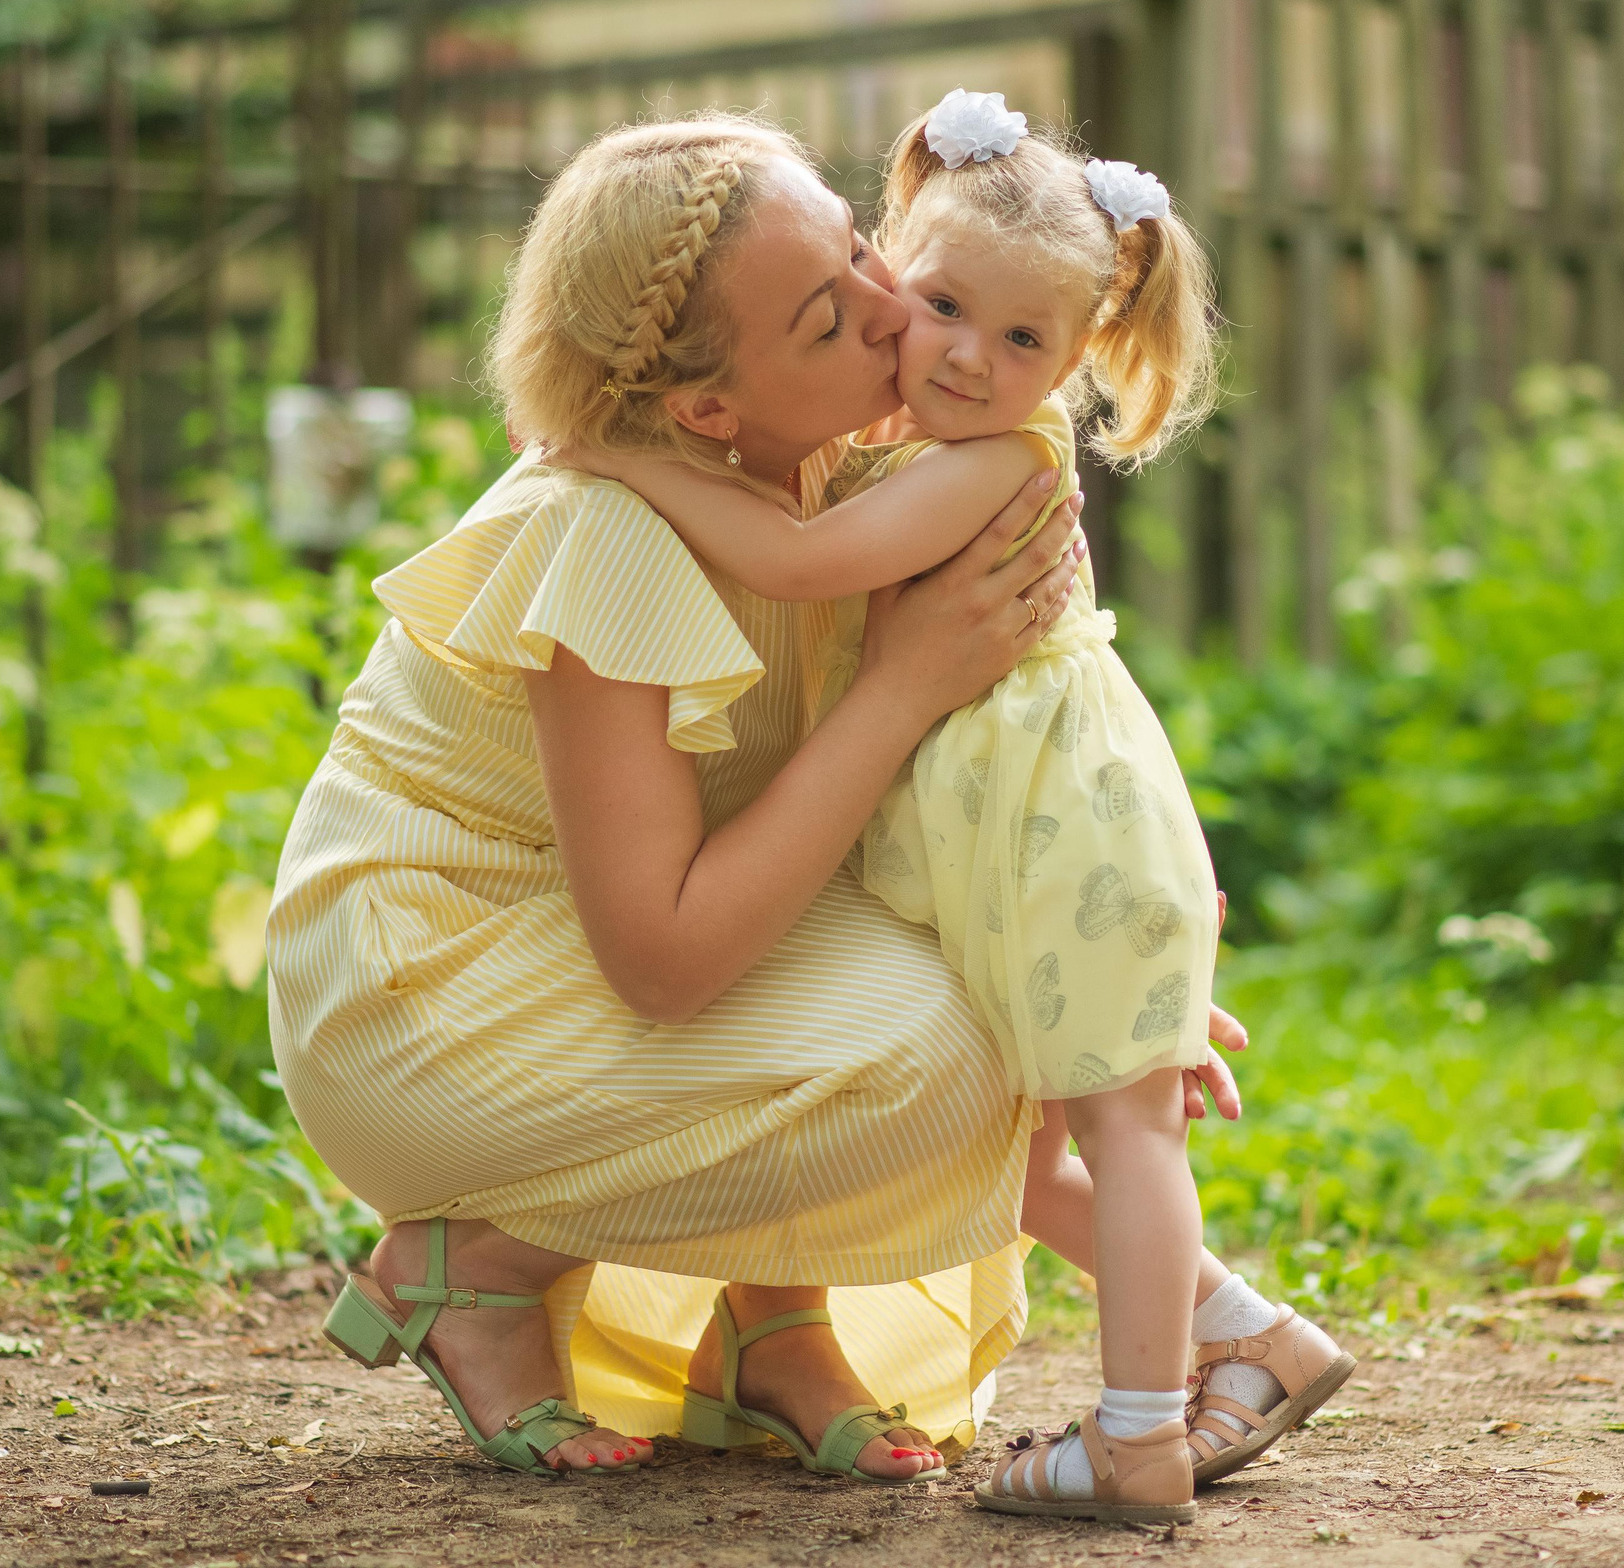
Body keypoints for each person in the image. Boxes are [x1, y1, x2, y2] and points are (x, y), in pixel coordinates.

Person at [268, 112, 1137, 1483]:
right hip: (430, 989)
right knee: (943, 1055)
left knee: (994, 999)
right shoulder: (601, 528)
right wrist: (900, 685)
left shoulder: (840, 468)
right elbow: (669, 960)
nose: (888, 303)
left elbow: (932, 793)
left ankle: (766, 1329)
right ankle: (480, 1272)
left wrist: (1108, 933)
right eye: (821, 313)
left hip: (598, 937)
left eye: (857, 247)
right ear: (705, 412)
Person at [563, 92, 1354, 1524]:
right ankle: (1253, 1338)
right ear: (891, 271)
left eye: (1025, 342)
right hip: (1028, 856)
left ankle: (1138, 1439)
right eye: (938, 306)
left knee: (1122, 1137)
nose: (970, 359)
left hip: (1069, 849)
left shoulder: (993, 462)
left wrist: (628, 456)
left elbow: (800, 564)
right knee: (1012, 1149)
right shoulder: (929, 451)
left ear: (1076, 357)